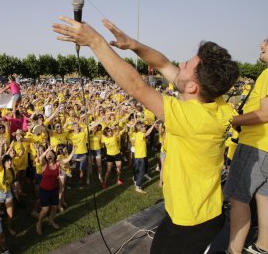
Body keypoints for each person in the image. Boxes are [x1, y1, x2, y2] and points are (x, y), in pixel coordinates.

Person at [53, 17, 239, 253]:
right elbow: (162, 63)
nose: (179, 64)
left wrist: (95, 42)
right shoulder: (215, 103)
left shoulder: (194, 119)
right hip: (201, 212)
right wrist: (132, 44)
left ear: (193, 87)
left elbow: (137, 87)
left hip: (190, 225)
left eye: (186, 65)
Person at [224, 37, 268, 254]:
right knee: (264, 196)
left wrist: (235, 120)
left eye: (266, 42)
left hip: (256, 144)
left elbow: (266, 113)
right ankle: (263, 246)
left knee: (238, 198)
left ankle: (234, 250)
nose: (261, 44)